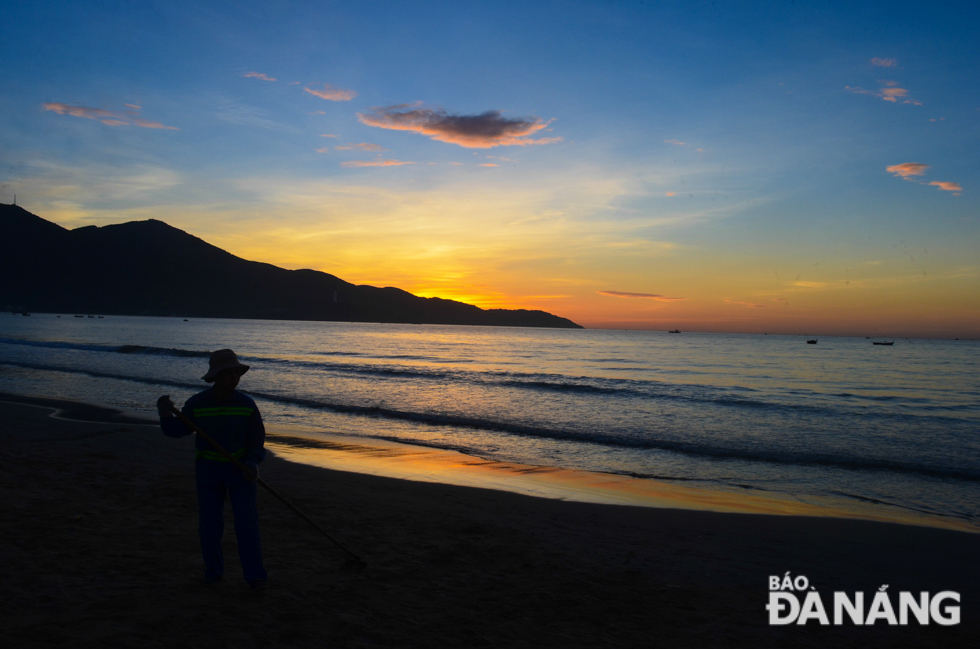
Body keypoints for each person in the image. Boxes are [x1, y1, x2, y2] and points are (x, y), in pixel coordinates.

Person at [157, 348, 268, 589]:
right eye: (228, 374)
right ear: (216, 376)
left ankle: (255, 577)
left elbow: (257, 441)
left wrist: (252, 461)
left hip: (241, 474)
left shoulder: (247, 405)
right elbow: (176, 430)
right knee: (210, 527)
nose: (234, 379)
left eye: (237, 373)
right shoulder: (197, 404)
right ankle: (213, 572)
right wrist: (165, 413)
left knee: (247, 526)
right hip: (208, 473)